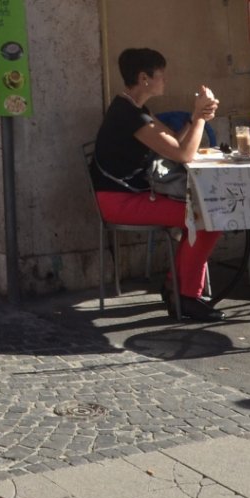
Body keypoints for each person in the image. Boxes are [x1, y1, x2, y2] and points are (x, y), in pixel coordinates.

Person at [88, 48, 224, 322]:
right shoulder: (129, 115)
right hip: (119, 201)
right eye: (161, 75)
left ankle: (176, 287)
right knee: (207, 217)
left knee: (206, 215)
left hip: (130, 194)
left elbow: (172, 140)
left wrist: (195, 117)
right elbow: (183, 154)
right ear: (144, 78)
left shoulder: (133, 107)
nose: (166, 80)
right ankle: (186, 297)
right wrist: (198, 117)